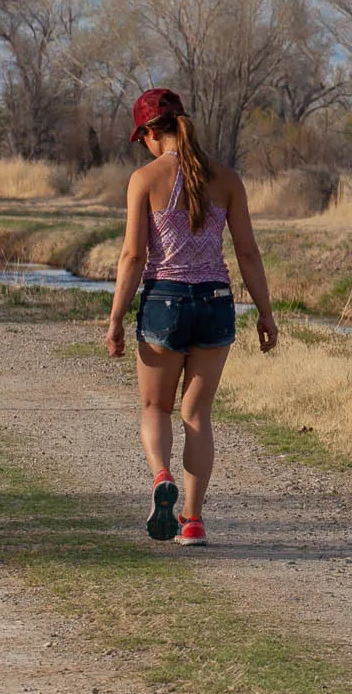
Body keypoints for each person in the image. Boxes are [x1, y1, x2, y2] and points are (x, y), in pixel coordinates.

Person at [105, 87, 277, 545]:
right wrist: (265, 313)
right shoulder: (226, 179)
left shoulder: (144, 179)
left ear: (148, 133)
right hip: (217, 301)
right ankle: (193, 520)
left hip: (164, 300)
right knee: (197, 413)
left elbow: (132, 256)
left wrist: (116, 317)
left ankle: (162, 475)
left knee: (155, 407)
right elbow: (247, 253)